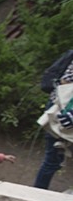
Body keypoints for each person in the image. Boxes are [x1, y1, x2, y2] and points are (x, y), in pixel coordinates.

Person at [33, 48, 73, 190]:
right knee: (52, 161)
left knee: (51, 161)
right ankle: (37, 197)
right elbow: (63, 83)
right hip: (61, 112)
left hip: (59, 111)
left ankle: (37, 197)